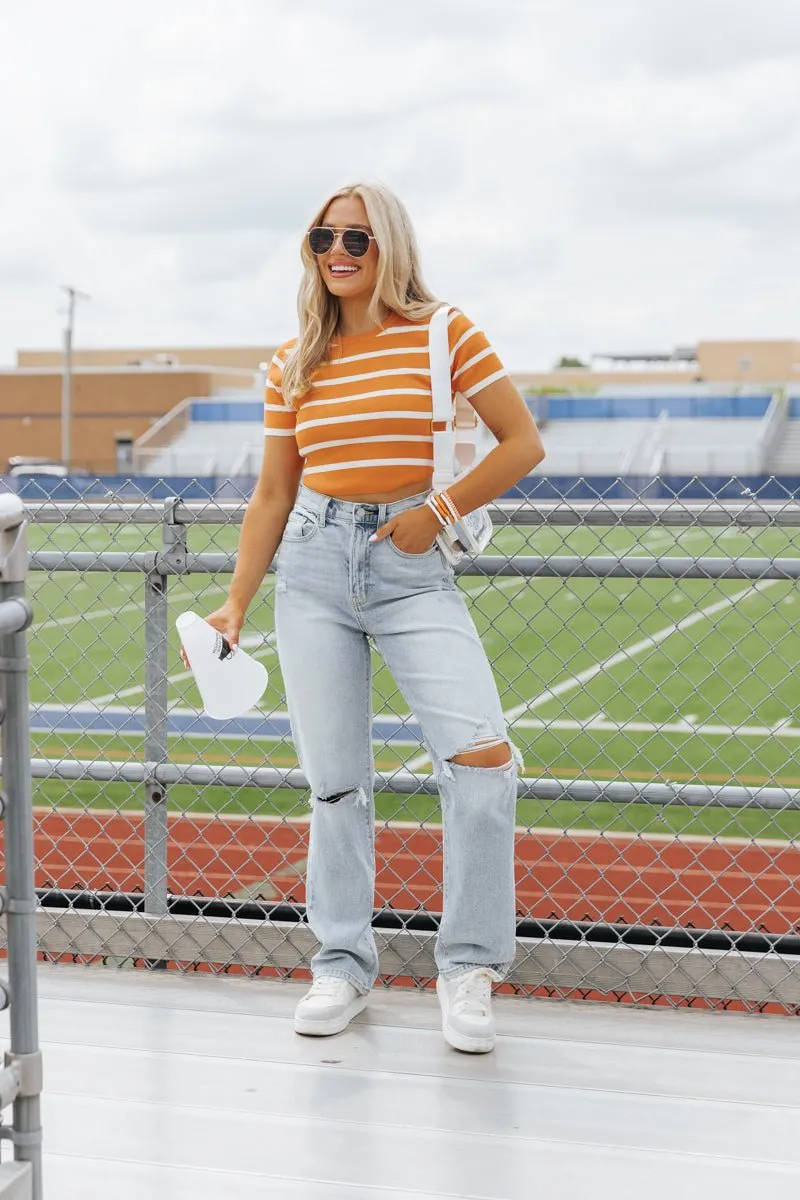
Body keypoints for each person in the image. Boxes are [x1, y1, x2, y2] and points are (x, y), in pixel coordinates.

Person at [201, 182, 544, 1053]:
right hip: (312, 568)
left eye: (356, 235)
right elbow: (275, 489)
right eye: (323, 236)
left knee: (481, 760)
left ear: (388, 242)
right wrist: (237, 599)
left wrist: (438, 508)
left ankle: (467, 970)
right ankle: (342, 965)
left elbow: (522, 442)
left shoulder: (443, 332)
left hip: (411, 561)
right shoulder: (294, 360)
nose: (338, 249)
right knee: (336, 782)